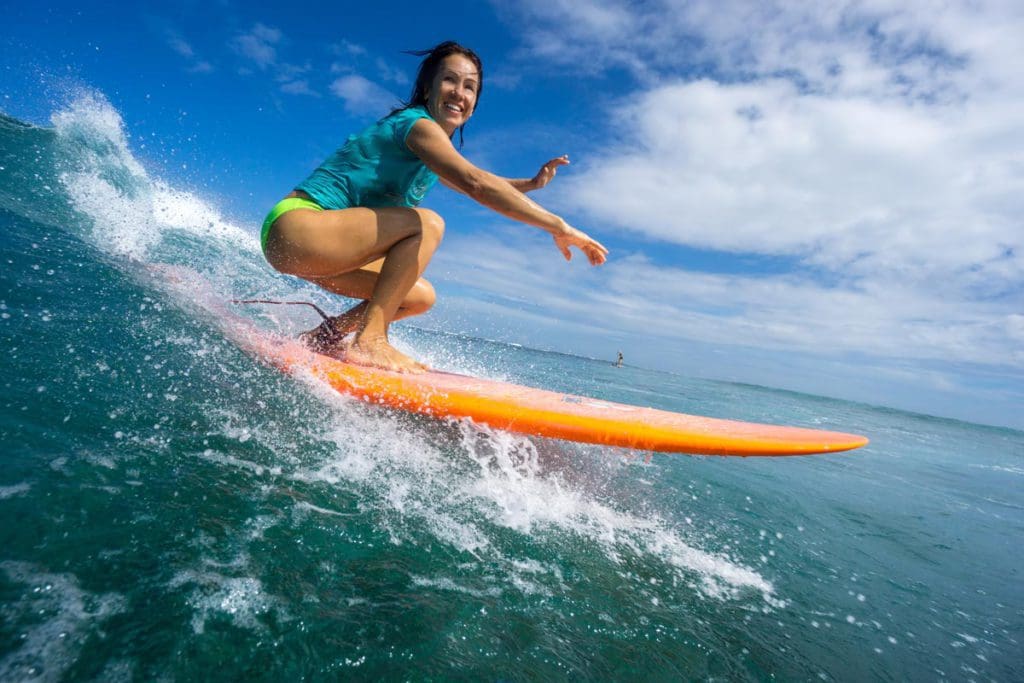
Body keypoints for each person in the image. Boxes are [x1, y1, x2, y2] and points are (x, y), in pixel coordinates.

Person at [261, 41, 608, 373]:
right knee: (426, 224)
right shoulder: (417, 126)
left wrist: (531, 185)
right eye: (450, 80)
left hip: (321, 254)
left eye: (470, 87)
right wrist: (560, 226)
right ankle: (370, 339)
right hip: (298, 227)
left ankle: (326, 336)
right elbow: (475, 183)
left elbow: (473, 179)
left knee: (418, 296)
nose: (460, 92)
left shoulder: (428, 155)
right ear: (428, 89)